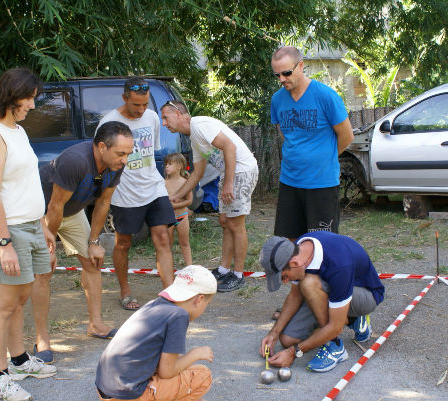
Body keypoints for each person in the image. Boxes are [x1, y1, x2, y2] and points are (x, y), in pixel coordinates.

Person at [0, 67, 57, 401]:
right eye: (30, 98)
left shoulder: (17, 131)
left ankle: (20, 360)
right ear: (12, 95)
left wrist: (43, 227)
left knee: (20, 298)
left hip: (30, 227)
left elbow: (23, 185)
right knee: (3, 305)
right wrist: (4, 243)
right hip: (8, 232)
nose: (33, 106)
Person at [31, 121, 134, 359]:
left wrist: (93, 242)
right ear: (101, 147)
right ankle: (42, 339)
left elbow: (103, 202)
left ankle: (96, 324)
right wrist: (50, 246)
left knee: (92, 262)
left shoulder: (115, 164)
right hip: (43, 213)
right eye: (121, 153)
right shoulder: (76, 161)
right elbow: (55, 206)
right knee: (44, 270)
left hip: (72, 212)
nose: (125, 160)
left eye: (128, 154)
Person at [269, 46, 354, 320]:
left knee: (320, 244)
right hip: (290, 182)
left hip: (321, 184)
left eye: (286, 73)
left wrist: (324, 159)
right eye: (277, 75)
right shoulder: (277, 100)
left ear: (301, 66)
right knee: (290, 245)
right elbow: (285, 134)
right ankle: (297, 300)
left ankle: (326, 299)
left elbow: (346, 135)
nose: (282, 79)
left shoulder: (326, 96)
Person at [162, 101, 259, 292]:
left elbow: (229, 147)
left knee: (235, 224)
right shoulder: (194, 138)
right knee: (225, 221)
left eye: (166, 117)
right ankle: (224, 269)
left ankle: (238, 276)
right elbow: (197, 174)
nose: (164, 123)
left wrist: (229, 183)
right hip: (229, 173)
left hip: (241, 171)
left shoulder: (199, 125)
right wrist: (176, 197)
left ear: (179, 113)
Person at [97, 77, 176, 311]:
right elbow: (101, 159)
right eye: (136, 105)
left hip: (153, 187)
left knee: (163, 238)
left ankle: (169, 292)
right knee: (123, 244)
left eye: (144, 105)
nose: (141, 110)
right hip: (124, 193)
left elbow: (151, 153)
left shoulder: (152, 117)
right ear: (124, 99)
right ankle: (125, 291)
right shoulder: (108, 121)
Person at [258, 231, 385, 373]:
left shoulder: (339, 263)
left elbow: (335, 327)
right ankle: (352, 320)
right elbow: (294, 296)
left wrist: (294, 352)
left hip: (365, 294)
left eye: (284, 277)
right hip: (332, 289)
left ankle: (335, 346)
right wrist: (274, 333)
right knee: (287, 339)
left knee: (308, 283)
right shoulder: (298, 250)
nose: (285, 281)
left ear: (294, 263)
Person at [95, 264, 216, 401]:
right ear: (199, 300)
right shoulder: (179, 315)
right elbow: (167, 372)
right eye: (207, 304)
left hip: (106, 389)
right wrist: (195, 354)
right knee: (202, 375)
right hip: (128, 395)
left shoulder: (156, 304)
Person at [164, 153, 193, 267]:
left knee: (185, 243)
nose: (166, 166)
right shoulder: (164, 183)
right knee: (167, 245)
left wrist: (174, 206)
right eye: (166, 164)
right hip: (168, 219)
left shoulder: (186, 182)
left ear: (179, 166)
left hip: (182, 217)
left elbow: (189, 201)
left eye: (170, 164)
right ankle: (167, 267)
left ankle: (189, 267)